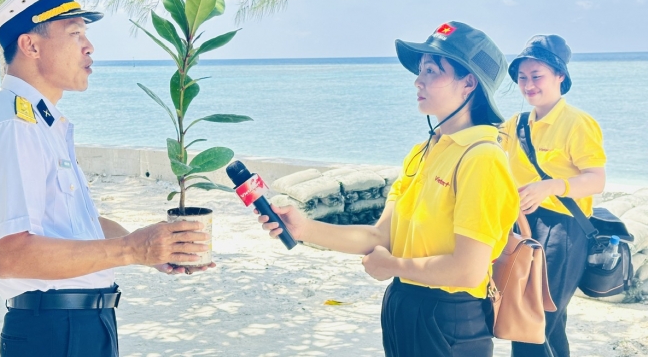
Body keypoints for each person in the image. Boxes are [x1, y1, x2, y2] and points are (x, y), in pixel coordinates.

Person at [0, 0, 214, 356]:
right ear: (31, 45)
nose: (89, 45)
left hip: (82, 325)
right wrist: (133, 249)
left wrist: (151, 247)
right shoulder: (12, 126)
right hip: (54, 332)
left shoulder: (41, 124)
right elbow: (10, 255)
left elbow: (73, 225)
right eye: (75, 33)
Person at [258, 22, 519, 356]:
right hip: (404, 305)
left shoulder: (482, 157)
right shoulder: (424, 152)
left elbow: (467, 270)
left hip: (449, 317)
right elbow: (380, 237)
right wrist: (304, 228)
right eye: (420, 69)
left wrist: (392, 267)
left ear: (469, 83)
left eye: (432, 70)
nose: (418, 80)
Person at [500, 35, 606, 357]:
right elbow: (488, 162)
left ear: (560, 76)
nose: (528, 85)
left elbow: (597, 180)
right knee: (538, 319)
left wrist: (551, 186)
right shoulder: (514, 125)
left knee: (537, 319)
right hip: (522, 228)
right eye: (522, 78)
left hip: (564, 230)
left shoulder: (578, 123)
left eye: (537, 76)